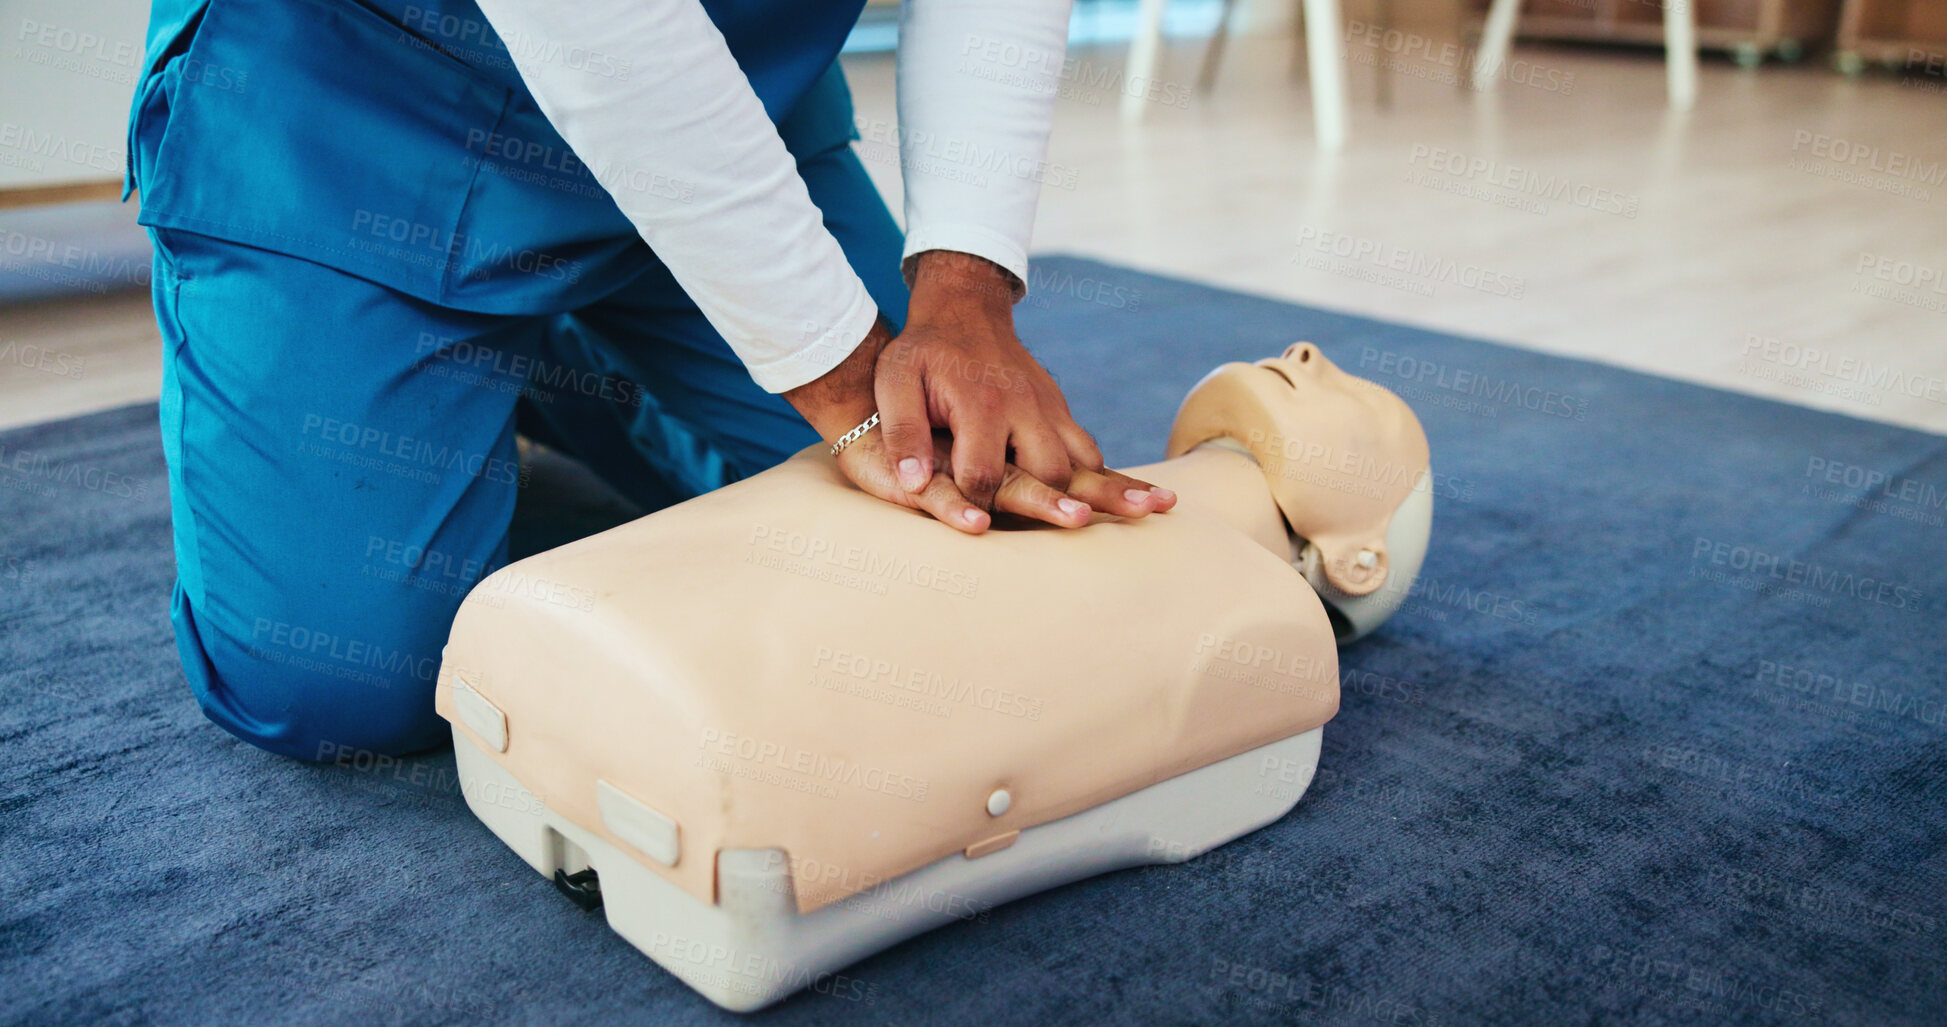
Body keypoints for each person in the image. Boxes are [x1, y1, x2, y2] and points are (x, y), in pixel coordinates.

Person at [124, 0, 1176, 761]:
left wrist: (963, 291)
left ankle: (542, 362)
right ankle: (437, 341)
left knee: (944, 535)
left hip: (728, 79)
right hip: (360, 101)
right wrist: (845, 384)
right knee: (342, 687)